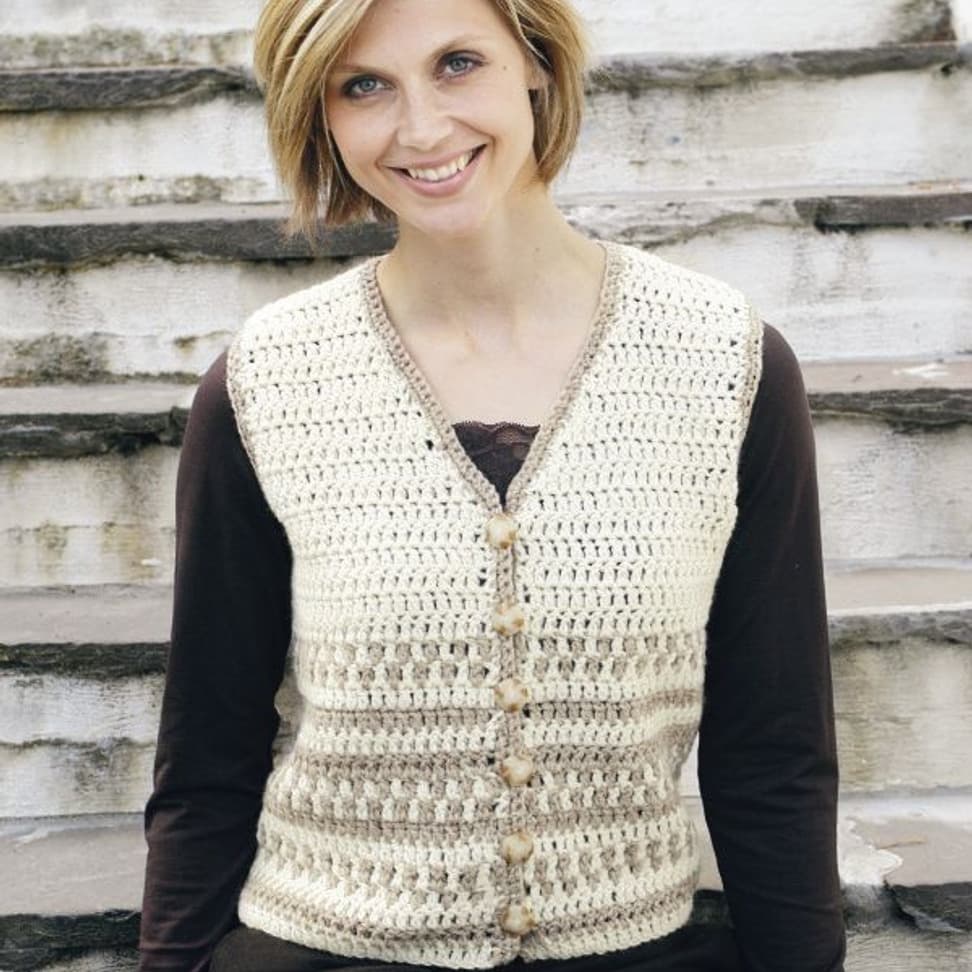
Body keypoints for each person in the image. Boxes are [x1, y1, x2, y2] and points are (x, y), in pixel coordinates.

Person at [137, 1, 847, 970]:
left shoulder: (723, 363)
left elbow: (775, 753)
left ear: (537, 62)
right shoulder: (268, 381)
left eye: (458, 63)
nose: (421, 127)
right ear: (321, 116)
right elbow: (206, 756)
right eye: (363, 86)